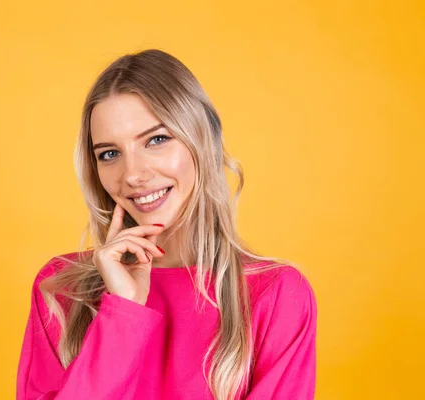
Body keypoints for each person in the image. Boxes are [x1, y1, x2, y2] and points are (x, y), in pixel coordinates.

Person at [16, 49, 317, 400]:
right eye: (109, 154)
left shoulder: (277, 295)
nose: (133, 174)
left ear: (202, 141)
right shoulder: (59, 289)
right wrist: (123, 311)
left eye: (156, 140)